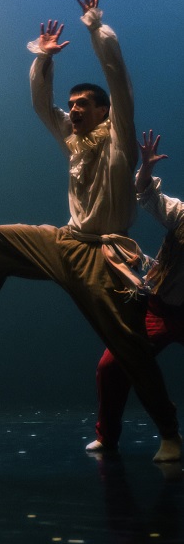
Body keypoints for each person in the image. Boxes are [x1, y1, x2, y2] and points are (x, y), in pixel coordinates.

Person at [0, 0, 181, 462]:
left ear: (105, 111)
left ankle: (169, 432)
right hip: (66, 242)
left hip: (105, 258)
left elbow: (119, 81)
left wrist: (93, 29)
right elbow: (43, 105)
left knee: (127, 349)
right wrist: (43, 60)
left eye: (85, 103)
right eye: (74, 103)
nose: (76, 109)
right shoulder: (73, 140)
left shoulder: (118, 141)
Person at [87, 131, 184, 453]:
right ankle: (107, 436)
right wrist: (145, 168)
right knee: (111, 367)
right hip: (159, 308)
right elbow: (147, 195)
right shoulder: (183, 216)